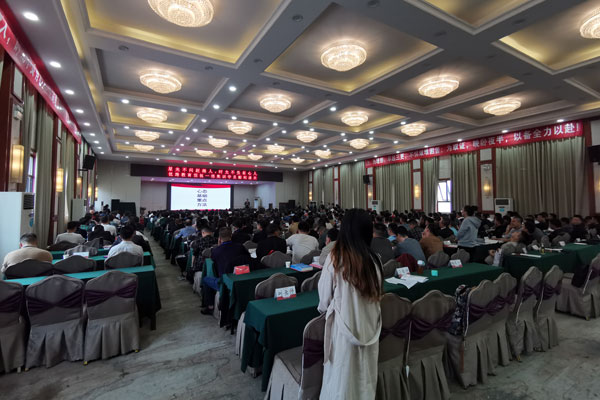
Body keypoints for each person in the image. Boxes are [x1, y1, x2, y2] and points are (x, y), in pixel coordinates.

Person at [317, 209, 383, 400]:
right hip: (370, 326)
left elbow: (324, 301)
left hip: (343, 329)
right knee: (365, 378)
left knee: (343, 379)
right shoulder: (375, 260)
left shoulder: (335, 259)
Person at [201, 228, 250, 314]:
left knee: (205, 279)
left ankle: (210, 306)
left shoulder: (216, 251)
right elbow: (248, 257)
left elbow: (213, 261)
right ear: (231, 236)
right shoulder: (240, 247)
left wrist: (218, 246)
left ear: (219, 238)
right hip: (240, 276)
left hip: (224, 282)